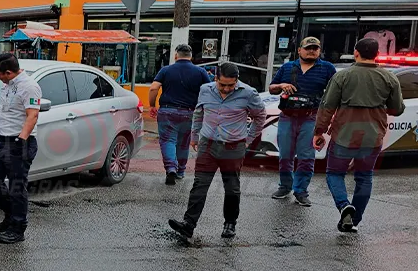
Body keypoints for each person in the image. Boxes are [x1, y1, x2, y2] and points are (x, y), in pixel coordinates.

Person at [314, 38, 406, 233]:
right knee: (364, 177)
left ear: (356, 53)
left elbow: (327, 106)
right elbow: (397, 109)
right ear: (377, 55)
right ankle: (354, 221)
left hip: (344, 135)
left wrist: (319, 132)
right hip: (373, 136)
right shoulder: (389, 78)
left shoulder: (343, 76)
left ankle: (343, 205)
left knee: (334, 173)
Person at [168, 63, 266, 241]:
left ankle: (230, 224)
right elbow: (199, 113)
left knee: (231, 187)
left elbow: (260, 117)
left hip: (233, 146)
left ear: (237, 80)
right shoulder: (205, 90)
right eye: (223, 85)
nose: (227, 88)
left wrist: (248, 140)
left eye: (231, 85)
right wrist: (195, 136)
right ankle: (188, 225)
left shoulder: (249, 93)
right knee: (200, 184)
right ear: (215, 79)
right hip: (208, 144)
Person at [267, 36, 337, 206]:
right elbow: (271, 89)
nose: (312, 51)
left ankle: (301, 191)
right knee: (285, 155)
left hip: (311, 118)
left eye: (315, 48)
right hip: (287, 117)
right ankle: (285, 186)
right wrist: (281, 85)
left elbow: (336, 92)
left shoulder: (327, 68)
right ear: (299, 50)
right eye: (308, 48)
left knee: (306, 156)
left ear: (319, 51)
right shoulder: (287, 67)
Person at [0, 52, 42, 244]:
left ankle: (18, 228)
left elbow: (32, 115)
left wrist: (21, 140)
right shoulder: (7, 86)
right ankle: (10, 214)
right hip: (1, 142)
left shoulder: (29, 87)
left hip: (19, 142)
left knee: (17, 186)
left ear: (8, 72)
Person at [147, 44, 212, 185]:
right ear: (191, 56)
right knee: (184, 143)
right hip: (190, 113)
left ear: (176, 55)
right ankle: (181, 171)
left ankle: (171, 168)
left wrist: (152, 105)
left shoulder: (165, 70)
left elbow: (153, 88)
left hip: (168, 111)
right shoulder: (200, 72)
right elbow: (210, 91)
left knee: (168, 140)